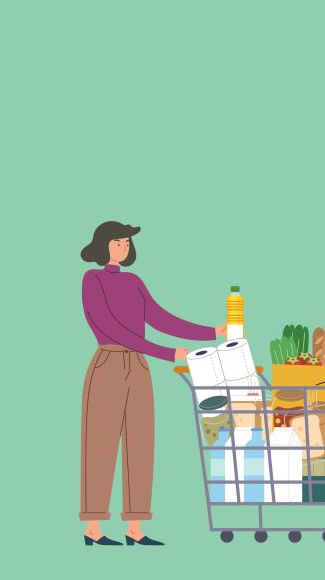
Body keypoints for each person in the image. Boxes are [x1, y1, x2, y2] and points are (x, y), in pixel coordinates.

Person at [79, 221, 227, 546]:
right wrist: (167, 352)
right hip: (108, 362)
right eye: (118, 241)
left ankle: (135, 528)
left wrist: (211, 333)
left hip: (139, 367)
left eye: (127, 242)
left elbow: (160, 318)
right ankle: (93, 527)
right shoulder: (92, 280)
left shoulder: (134, 282)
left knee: (141, 444)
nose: (124, 246)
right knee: (101, 444)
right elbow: (112, 329)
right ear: (103, 244)